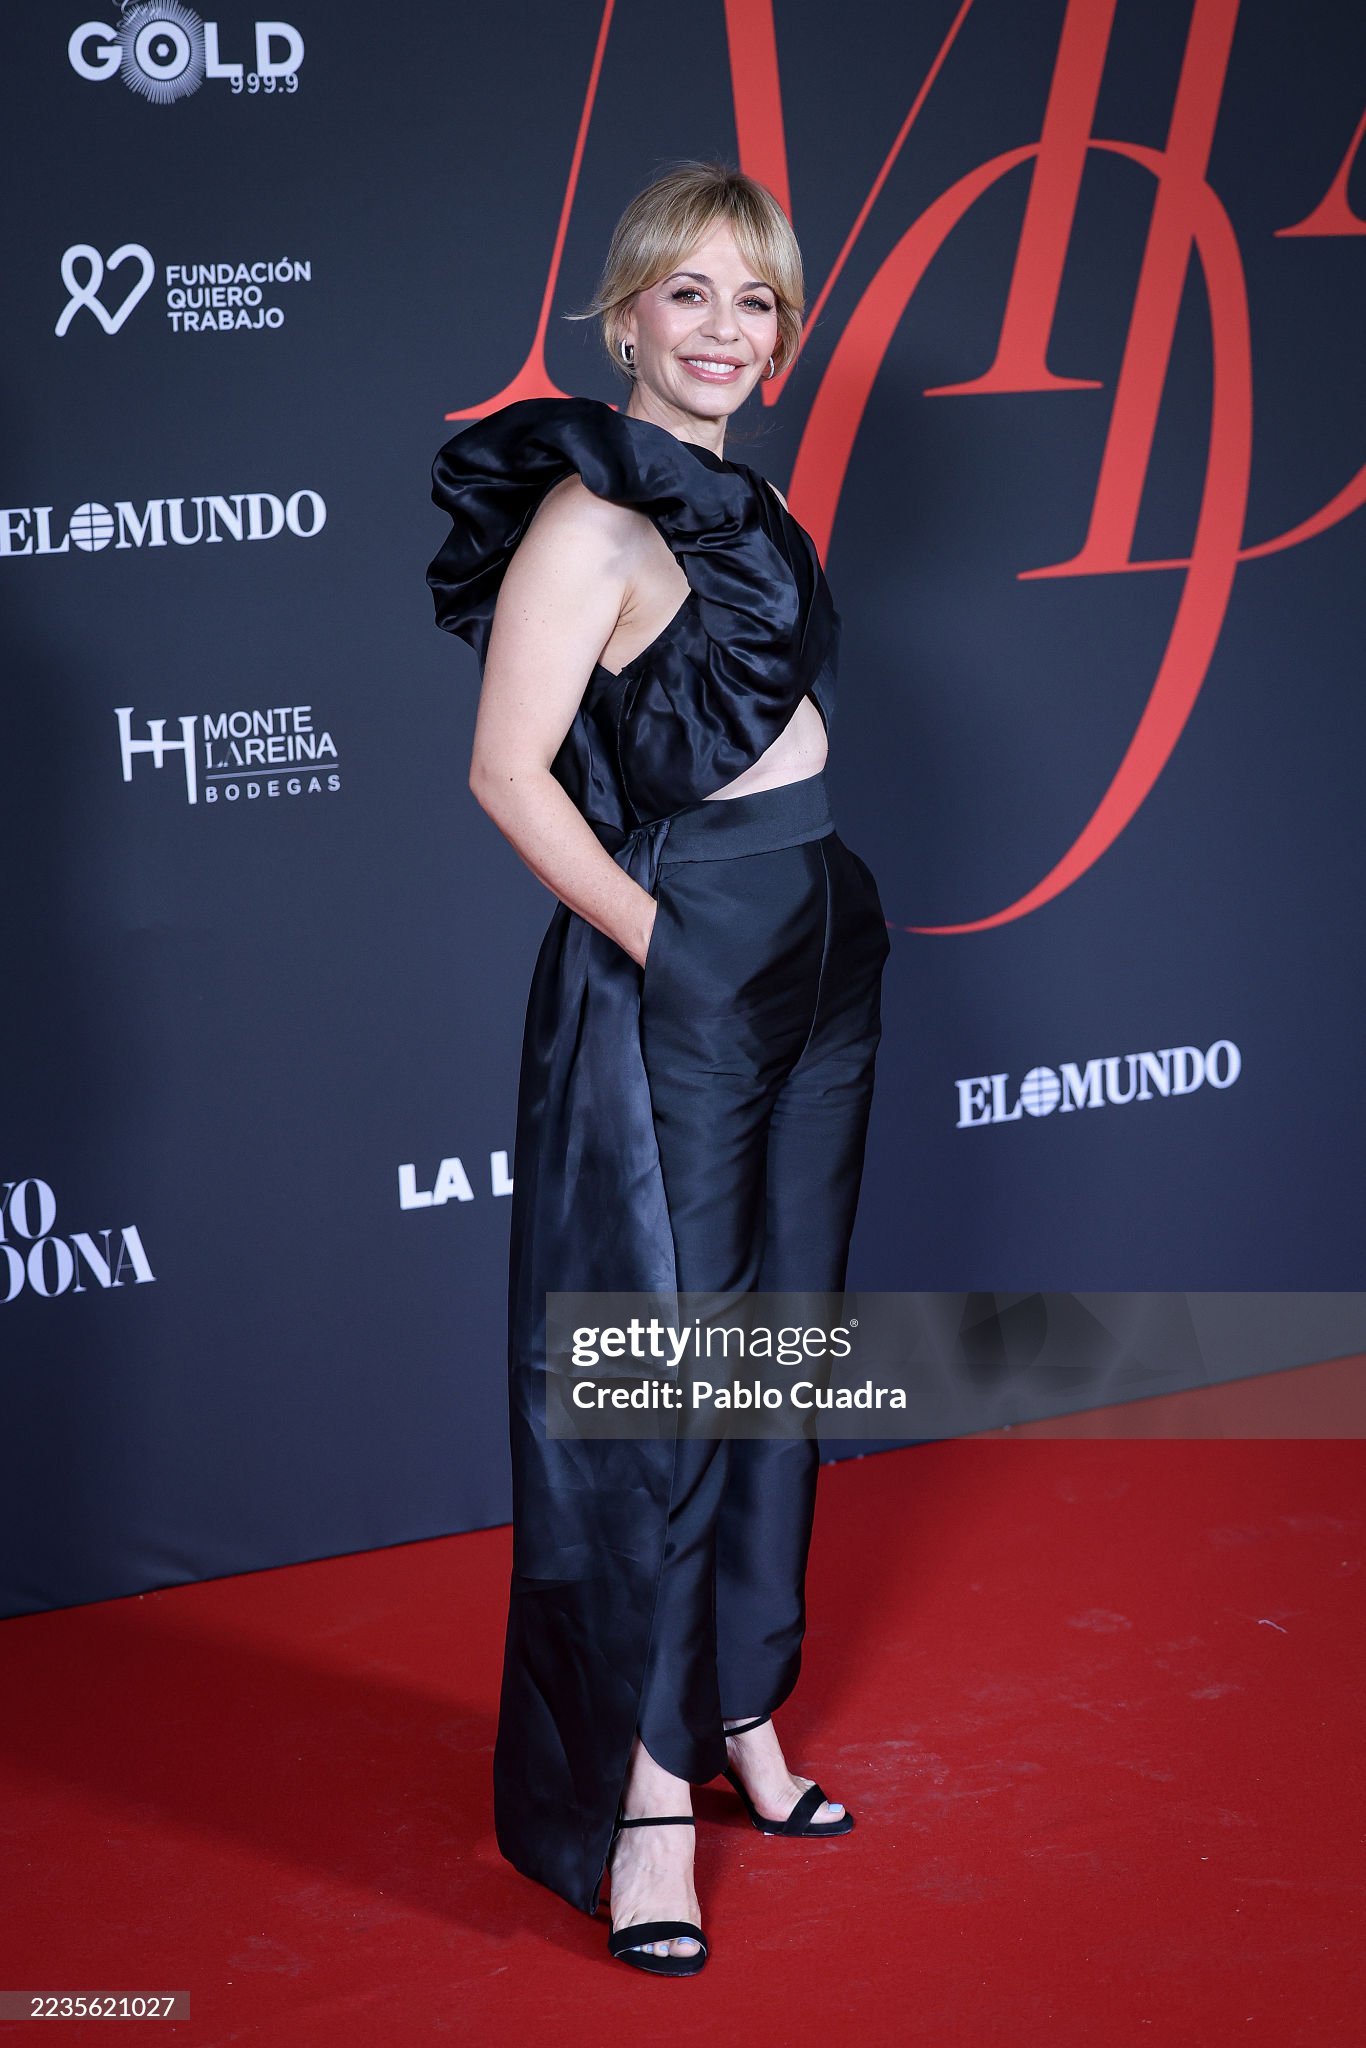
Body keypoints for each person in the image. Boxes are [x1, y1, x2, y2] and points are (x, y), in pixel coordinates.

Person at [427, 160, 890, 1978]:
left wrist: (790, 931)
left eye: (753, 299)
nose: (722, 329)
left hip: (823, 934)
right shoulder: (586, 522)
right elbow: (505, 772)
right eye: (686, 293)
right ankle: (637, 1791)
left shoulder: (747, 495)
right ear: (621, 315)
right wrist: (663, 943)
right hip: (685, 953)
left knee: (783, 1356)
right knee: (667, 1383)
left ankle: (739, 1710)